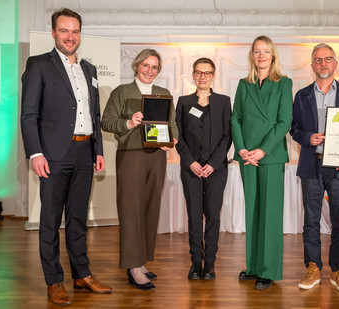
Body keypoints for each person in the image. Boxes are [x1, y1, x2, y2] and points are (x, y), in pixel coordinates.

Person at [20, 8, 111, 305]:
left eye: (75, 31)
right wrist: (35, 152)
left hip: (85, 152)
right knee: (49, 220)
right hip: (53, 155)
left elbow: (94, 115)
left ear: (80, 34)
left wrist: (98, 150)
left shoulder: (90, 70)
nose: (70, 37)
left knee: (77, 220)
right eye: (64, 31)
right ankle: (54, 281)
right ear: (54, 33)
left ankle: (81, 274)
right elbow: (29, 114)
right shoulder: (39, 65)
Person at [101, 49, 178, 290]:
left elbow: (172, 123)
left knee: (149, 208)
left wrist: (171, 140)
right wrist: (129, 122)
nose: (150, 70)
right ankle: (133, 267)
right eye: (146, 65)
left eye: (154, 67)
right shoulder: (122, 92)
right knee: (130, 209)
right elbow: (106, 122)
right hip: (131, 156)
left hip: (157, 156)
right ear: (137, 66)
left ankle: (141, 261)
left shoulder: (163, 94)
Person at [289, 43, 339, 293]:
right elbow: (294, 129)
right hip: (311, 164)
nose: (323, 64)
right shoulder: (302, 95)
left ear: (335, 64)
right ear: (312, 65)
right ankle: (313, 267)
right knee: (311, 220)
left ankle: (338, 270)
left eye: (328, 59)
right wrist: (308, 138)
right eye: (318, 60)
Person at [231, 35, 293, 290]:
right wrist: (243, 149)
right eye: (257, 51)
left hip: (270, 156)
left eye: (266, 51)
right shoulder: (243, 84)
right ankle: (254, 265)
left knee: (270, 215)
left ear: (273, 56)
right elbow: (235, 119)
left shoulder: (284, 83)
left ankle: (268, 269)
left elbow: (284, 122)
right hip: (247, 157)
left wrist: (262, 151)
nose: (261, 56)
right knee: (253, 211)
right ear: (252, 56)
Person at [176, 58, 232, 280]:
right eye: (198, 73)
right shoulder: (183, 102)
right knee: (194, 216)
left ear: (213, 76)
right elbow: (177, 134)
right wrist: (190, 161)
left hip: (216, 170)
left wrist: (213, 164)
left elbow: (228, 135)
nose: (202, 76)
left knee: (213, 216)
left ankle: (209, 263)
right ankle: (195, 263)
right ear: (193, 75)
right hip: (191, 169)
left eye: (207, 73)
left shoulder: (224, 102)